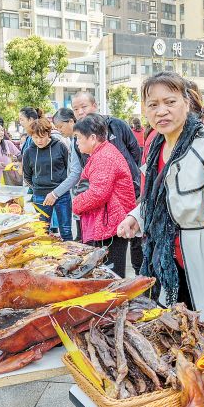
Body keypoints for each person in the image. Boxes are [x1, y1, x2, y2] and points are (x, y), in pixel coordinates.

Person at [117, 72, 204, 323]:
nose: (161, 111)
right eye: (153, 105)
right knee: (175, 328)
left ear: (187, 103)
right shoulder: (156, 146)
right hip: (168, 257)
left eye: (170, 102)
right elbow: (158, 198)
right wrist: (137, 216)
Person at [72, 92, 143, 273]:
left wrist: (75, 204)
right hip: (107, 221)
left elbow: (97, 193)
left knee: (110, 274)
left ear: (93, 138)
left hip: (110, 224)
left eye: (79, 138)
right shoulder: (101, 153)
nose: (77, 143)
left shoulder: (104, 156)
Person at [22, 118, 72, 240]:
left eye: (42, 137)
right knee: (42, 232)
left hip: (61, 194)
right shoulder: (29, 152)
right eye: (35, 137)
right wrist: (37, 189)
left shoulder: (60, 146)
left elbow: (69, 170)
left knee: (66, 230)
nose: (39, 140)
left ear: (48, 133)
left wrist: (59, 190)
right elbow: (27, 176)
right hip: (40, 197)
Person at [52, 108, 84, 240]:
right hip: (78, 192)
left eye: (60, 126)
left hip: (84, 192)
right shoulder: (72, 140)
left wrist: (55, 193)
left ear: (71, 121)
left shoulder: (78, 140)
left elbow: (76, 173)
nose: (59, 130)